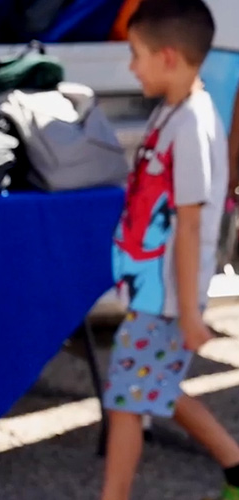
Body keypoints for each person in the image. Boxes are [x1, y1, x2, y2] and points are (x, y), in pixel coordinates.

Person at [103, 1, 239, 500]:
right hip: (155, 294)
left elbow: (188, 226)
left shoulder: (193, 125)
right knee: (146, 387)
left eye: (136, 54)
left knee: (126, 398)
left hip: (166, 301)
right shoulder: (173, 110)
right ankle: (234, 462)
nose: (131, 67)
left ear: (166, 57)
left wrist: (186, 311)